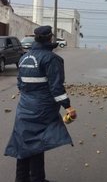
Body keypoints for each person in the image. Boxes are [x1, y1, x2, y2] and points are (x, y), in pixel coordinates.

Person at [4, 26, 77, 182]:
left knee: (24, 142)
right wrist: (68, 107)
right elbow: (56, 88)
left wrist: (29, 97)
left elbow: (20, 84)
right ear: (50, 38)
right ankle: (37, 179)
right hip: (42, 109)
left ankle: (21, 178)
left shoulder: (24, 58)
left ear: (36, 38)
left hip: (24, 107)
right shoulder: (52, 59)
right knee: (37, 143)